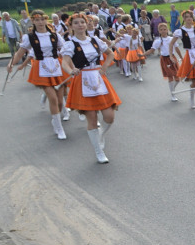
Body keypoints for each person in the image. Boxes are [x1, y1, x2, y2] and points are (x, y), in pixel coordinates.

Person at [60, 14, 121, 164]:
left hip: (99, 78)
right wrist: (70, 71)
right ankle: (98, 151)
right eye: (76, 23)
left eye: (82, 22)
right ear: (71, 26)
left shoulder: (95, 40)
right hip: (82, 80)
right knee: (92, 118)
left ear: (87, 24)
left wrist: (105, 66)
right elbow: (65, 63)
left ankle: (100, 136)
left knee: (109, 117)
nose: (80, 25)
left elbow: (110, 54)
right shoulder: (69, 44)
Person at [8, 9, 69, 139]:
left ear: (46, 20)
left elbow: (65, 50)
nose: (40, 22)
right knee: (52, 98)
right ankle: (59, 128)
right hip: (42, 67)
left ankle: (55, 119)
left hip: (56, 66)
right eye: (37, 20)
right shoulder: (29, 37)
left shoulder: (55, 35)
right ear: (33, 21)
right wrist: (11, 64)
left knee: (59, 101)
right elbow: (19, 53)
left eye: (42, 19)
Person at [169, 10, 195, 110]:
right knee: (194, 82)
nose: (188, 19)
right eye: (186, 17)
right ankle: (191, 100)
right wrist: (171, 55)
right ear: (183, 18)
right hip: (190, 55)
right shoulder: (180, 31)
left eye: (190, 17)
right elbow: (171, 43)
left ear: (192, 18)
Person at [150, 21, 180, 101]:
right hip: (165, 59)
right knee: (170, 77)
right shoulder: (158, 41)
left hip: (172, 58)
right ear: (159, 31)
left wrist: (182, 57)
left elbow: (177, 48)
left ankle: (172, 90)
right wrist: (143, 55)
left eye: (164, 29)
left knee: (177, 78)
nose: (163, 31)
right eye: (161, 29)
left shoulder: (171, 39)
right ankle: (173, 94)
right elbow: (152, 50)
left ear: (167, 30)